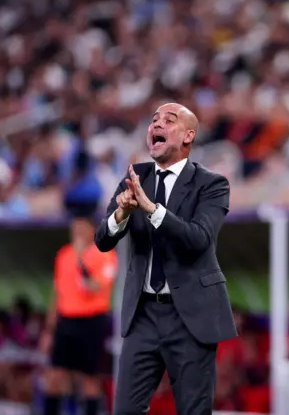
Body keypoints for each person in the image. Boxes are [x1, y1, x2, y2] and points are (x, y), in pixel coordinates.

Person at [94, 103, 237, 415]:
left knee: (193, 411)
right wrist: (122, 213)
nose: (156, 124)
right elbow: (102, 240)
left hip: (190, 317)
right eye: (154, 120)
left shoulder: (211, 184)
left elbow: (198, 239)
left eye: (168, 120)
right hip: (142, 315)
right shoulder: (135, 178)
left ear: (188, 136)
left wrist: (151, 209)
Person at [41, 213, 118, 415]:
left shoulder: (105, 254)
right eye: (74, 229)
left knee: (88, 378)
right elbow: (58, 293)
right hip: (66, 321)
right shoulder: (64, 255)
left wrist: (81, 261)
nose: (77, 233)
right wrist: (49, 330)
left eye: (81, 229)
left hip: (92, 321)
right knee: (55, 375)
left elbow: (94, 286)